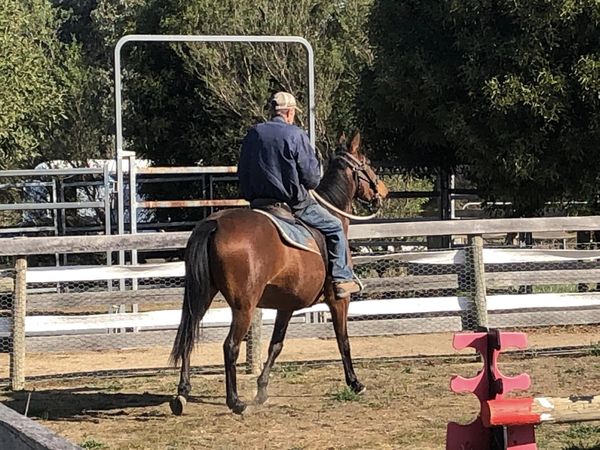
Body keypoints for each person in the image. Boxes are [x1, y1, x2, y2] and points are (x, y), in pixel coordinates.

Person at [237, 91, 361, 299]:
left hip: (259, 204)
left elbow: (243, 171)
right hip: (292, 205)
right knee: (335, 226)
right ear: (290, 112)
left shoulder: (254, 133)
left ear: (272, 111)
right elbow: (312, 179)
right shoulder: (295, 135)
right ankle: (341, 278)